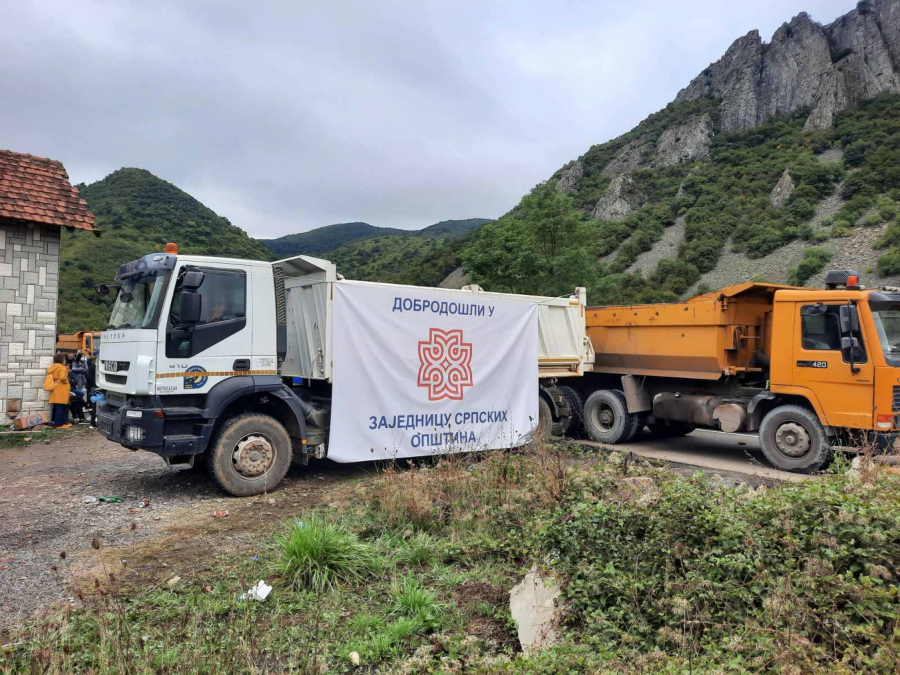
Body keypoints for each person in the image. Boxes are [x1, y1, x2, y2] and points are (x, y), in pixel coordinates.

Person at [45, 353, 71, 428]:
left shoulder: (53, 367)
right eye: (64, 359)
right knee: (62, 406)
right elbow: (62, 377)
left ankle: (59, 422)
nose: (65, 360)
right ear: (62, 360)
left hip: (55, 387)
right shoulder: (62, 368)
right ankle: (60, 423)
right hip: (62, 388)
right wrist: (66, 381)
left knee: (58, 406)